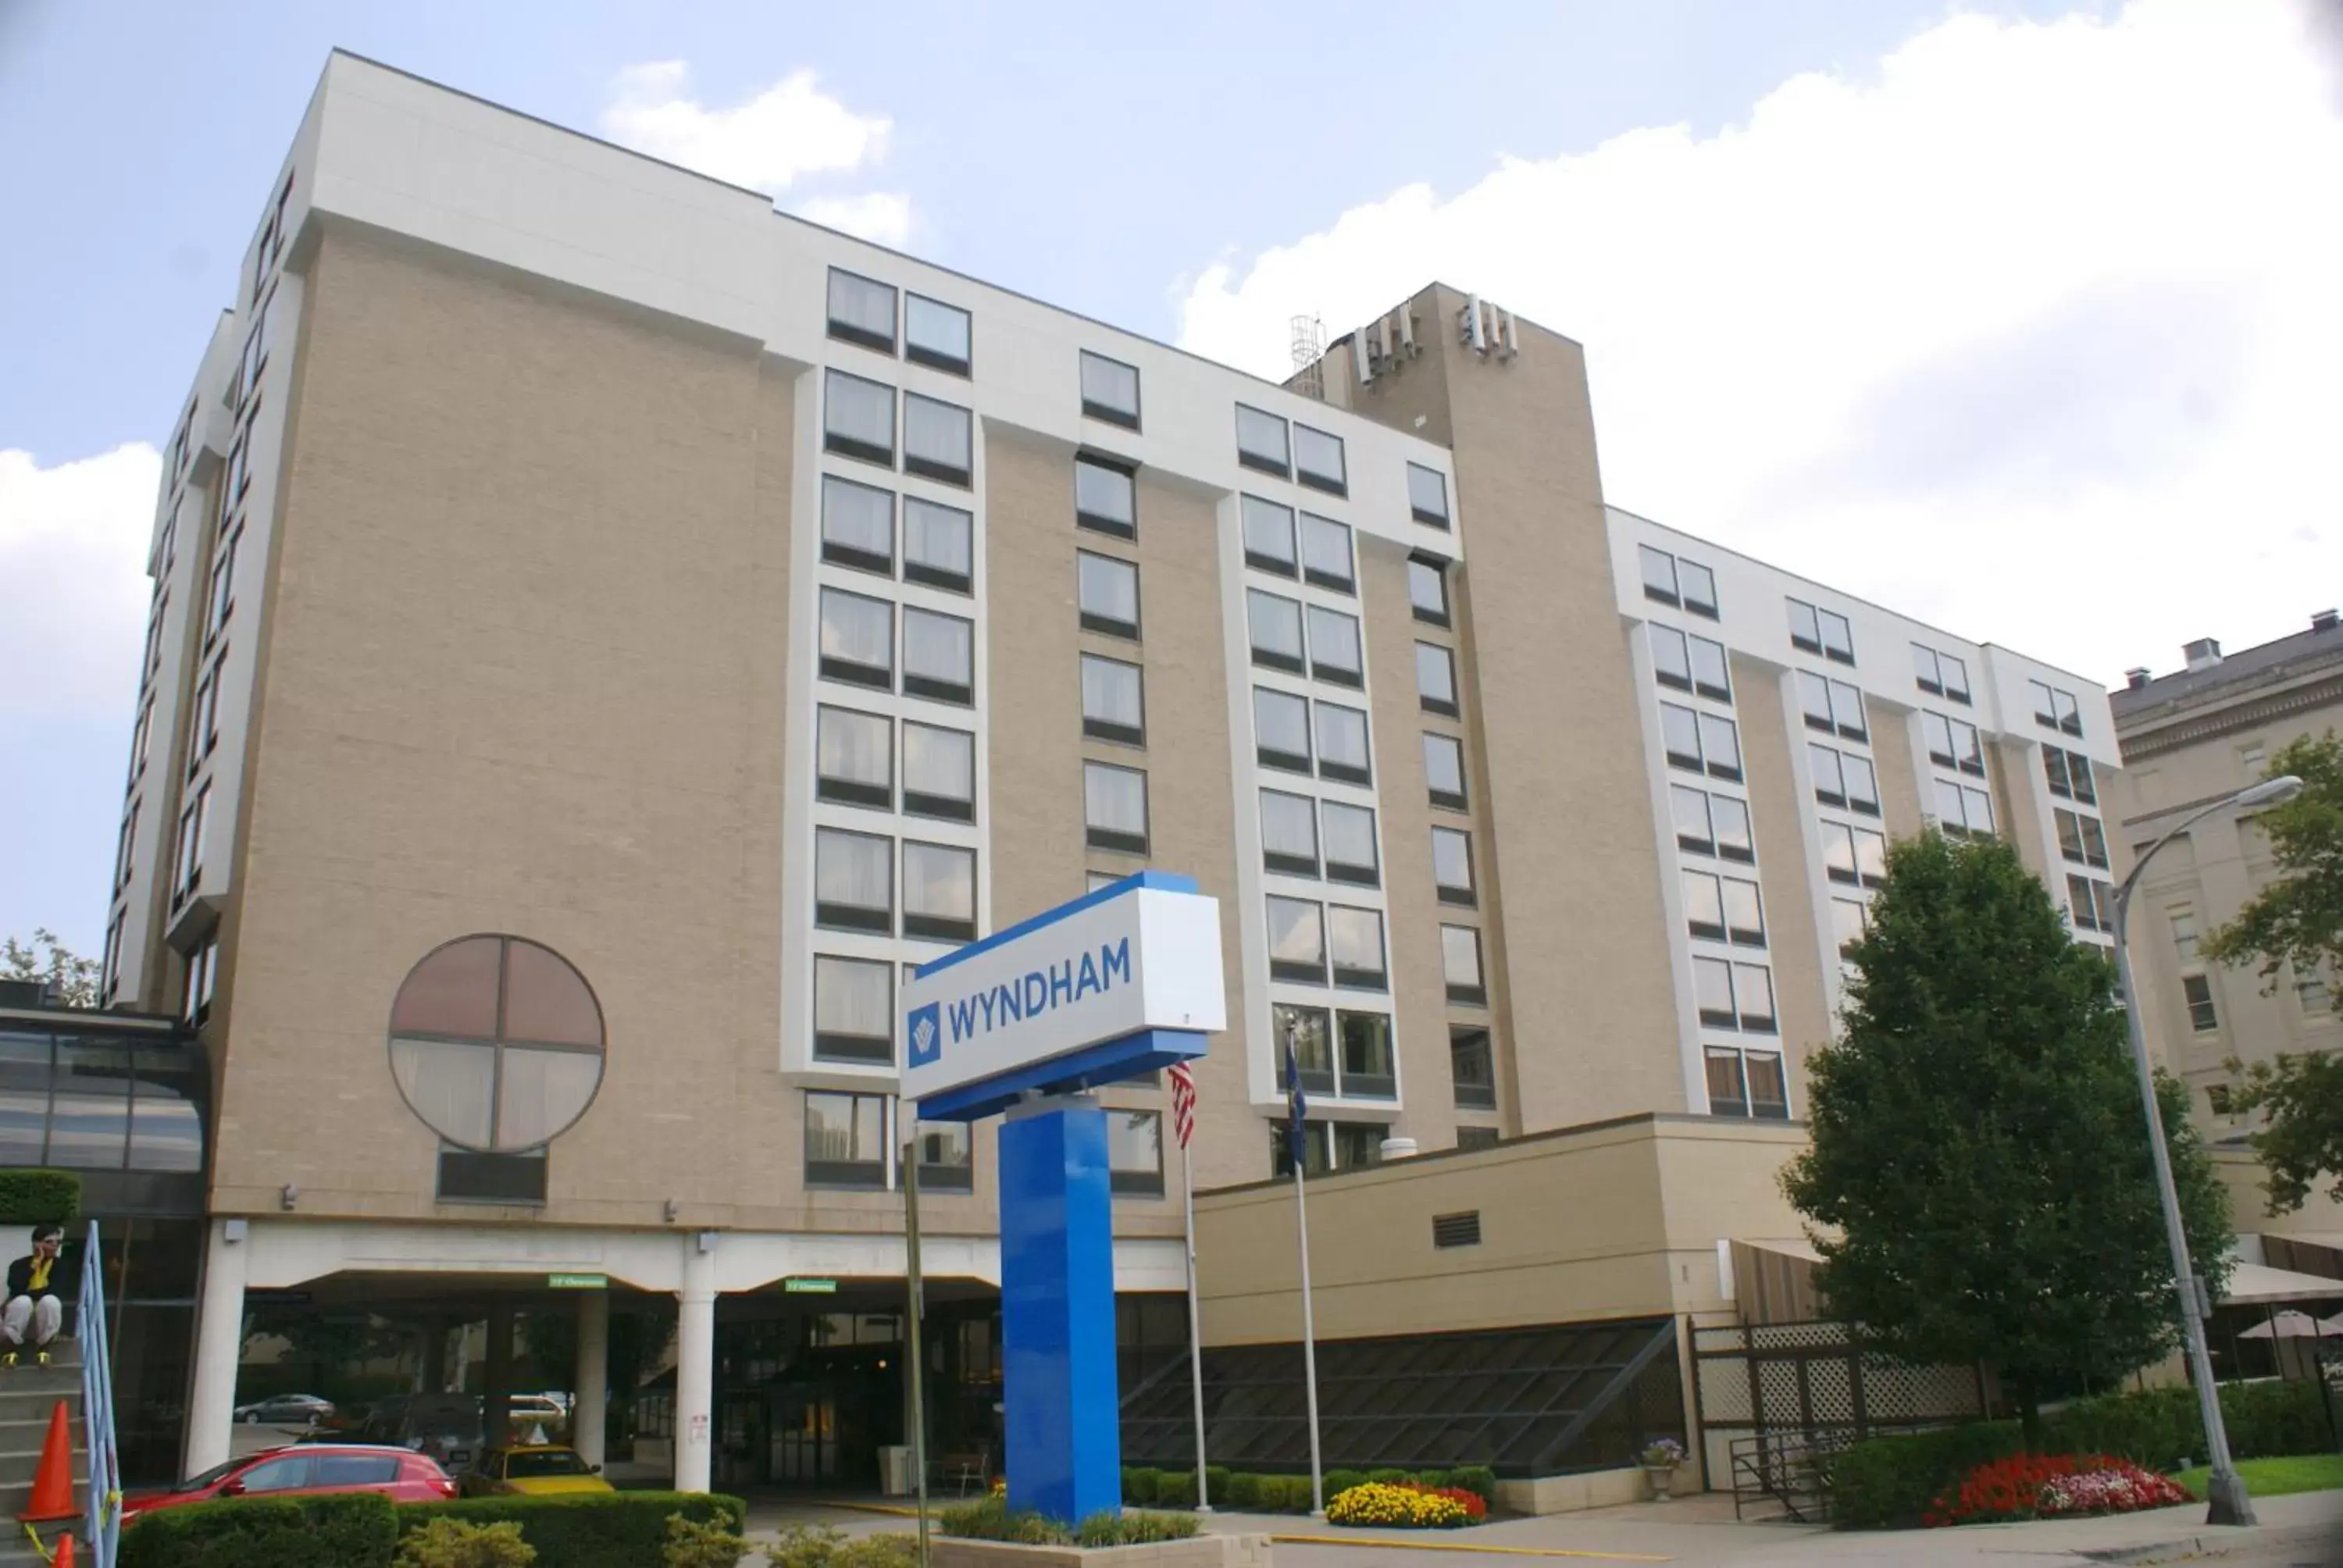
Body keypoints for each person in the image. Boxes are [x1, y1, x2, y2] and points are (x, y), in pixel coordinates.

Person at [2, 1224, 70, 1368]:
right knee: (23, 1301)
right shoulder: (19, 1265)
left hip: (44, 1313)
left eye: (58, 1242)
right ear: (36, 1244)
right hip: (20, 1313)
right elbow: (16, 1287)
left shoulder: (60, 1266)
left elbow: (56, 1291)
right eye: (49, 1242)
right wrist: (35, 1263)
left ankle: (43, 1351)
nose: (55, 1246)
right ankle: (10, 1351)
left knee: (50, 1301)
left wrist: (31, 1294)